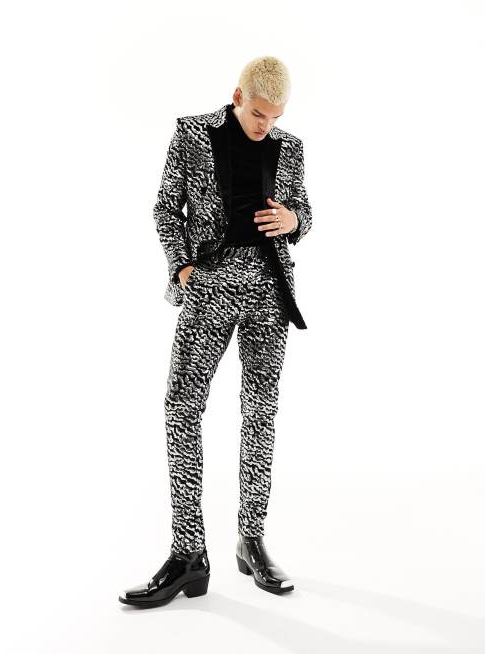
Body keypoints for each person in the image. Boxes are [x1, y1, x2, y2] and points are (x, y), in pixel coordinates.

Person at [119, 55, 313, 608]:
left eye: (275, 117)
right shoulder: (192, 134)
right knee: (182, 406)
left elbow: (303, 209)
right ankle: (189, 554)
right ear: (238, 96)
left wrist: (295, 220)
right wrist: (181, 267)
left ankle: (251, 539)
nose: (265, 126)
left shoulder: (291, 147)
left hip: (270, 290)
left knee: (261, 411)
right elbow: (166, 208)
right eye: (258, 114)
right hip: (209, 285)